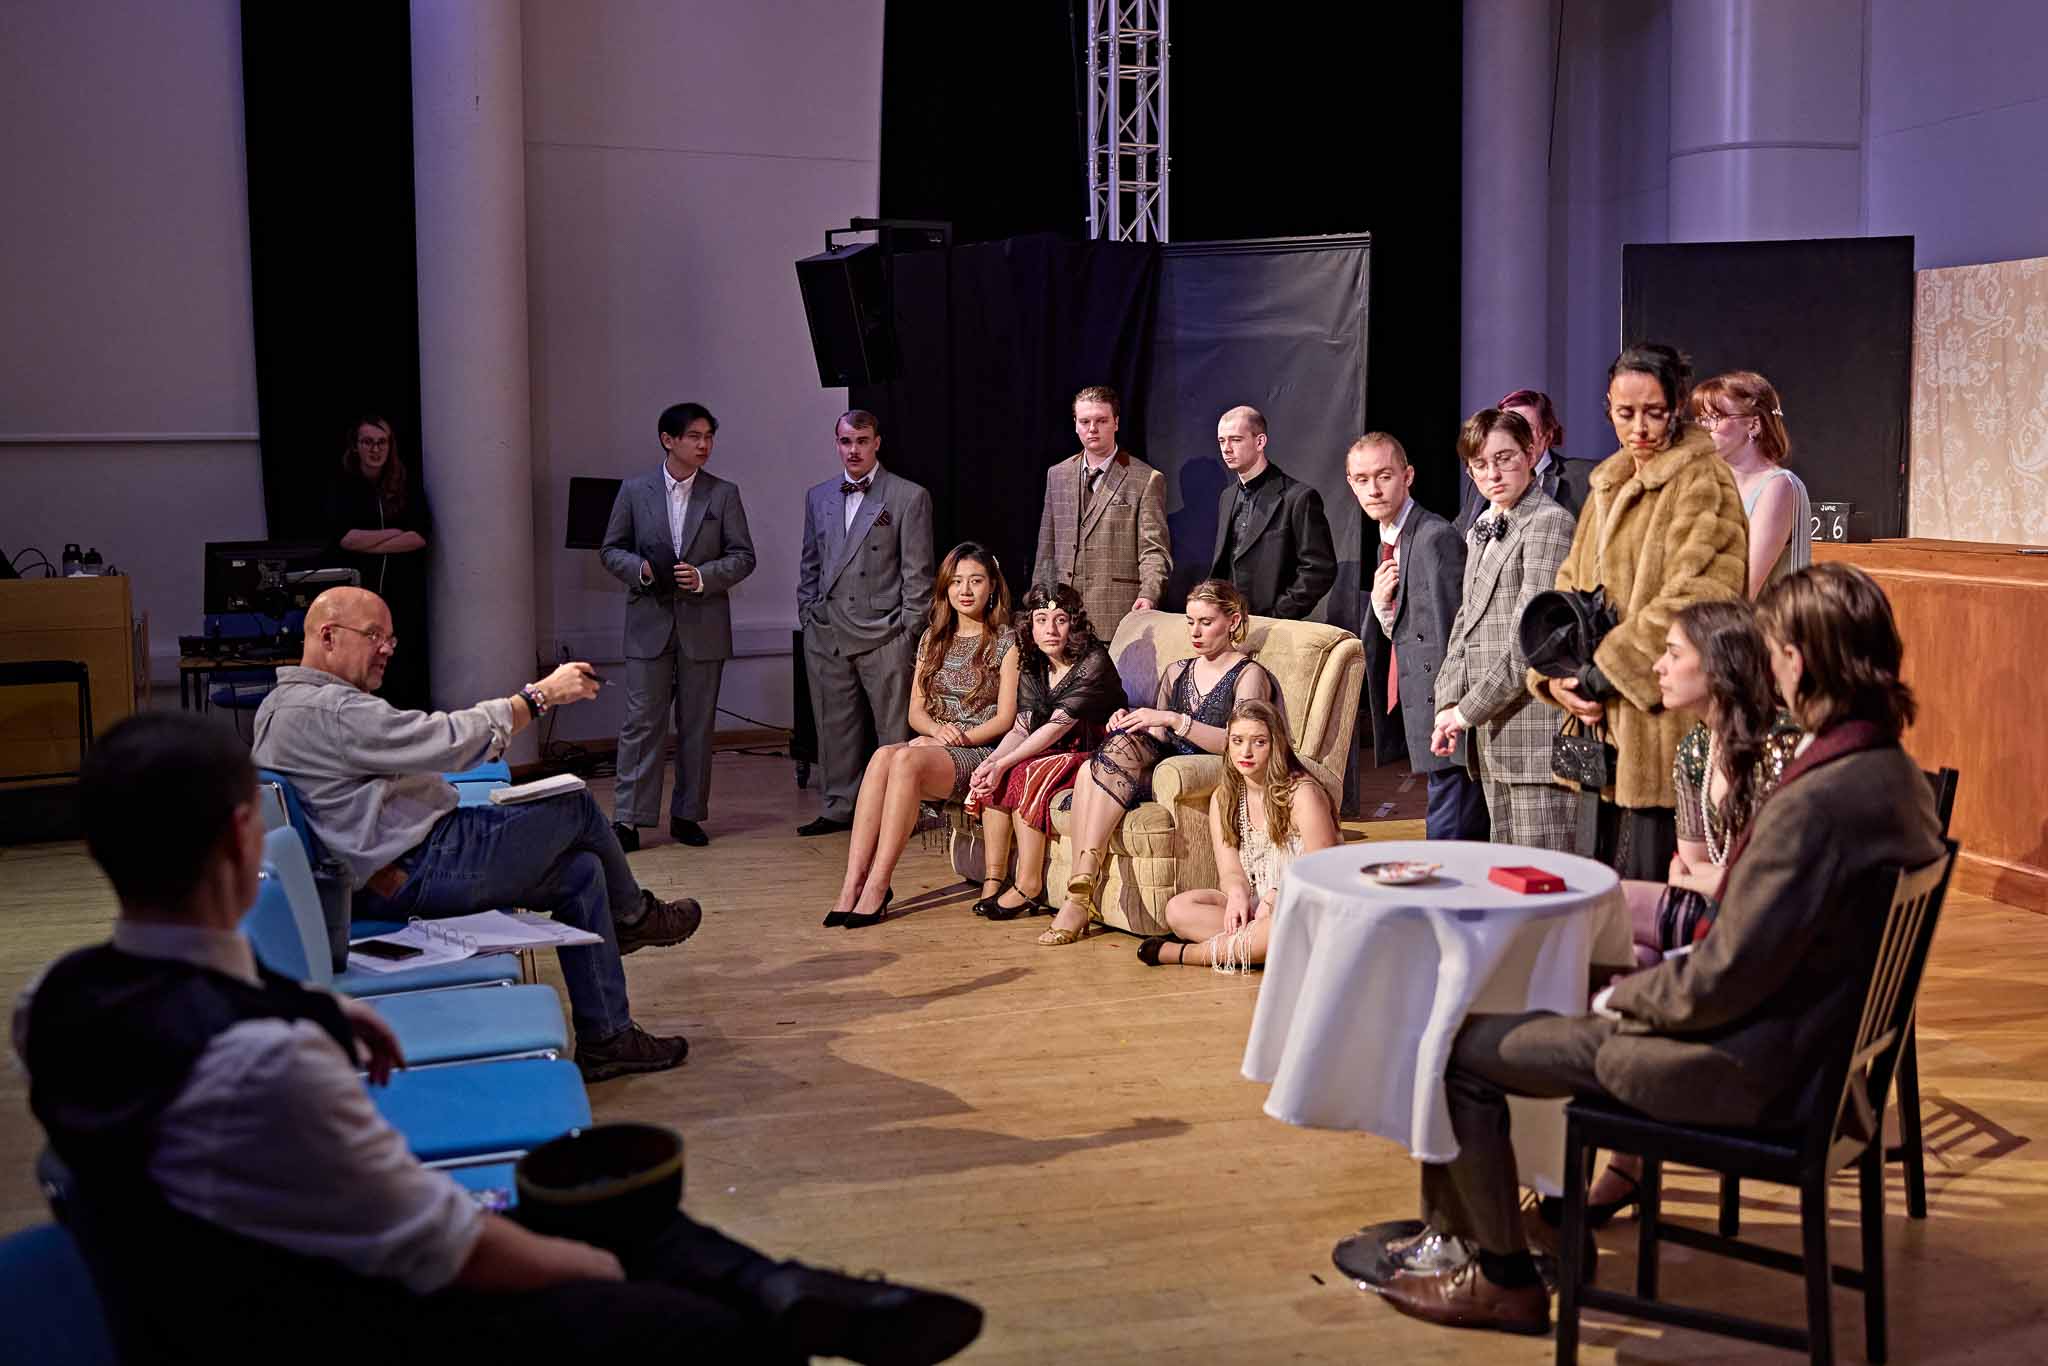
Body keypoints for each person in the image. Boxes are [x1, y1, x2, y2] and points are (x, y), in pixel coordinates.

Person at [18, 710, 984, 1365]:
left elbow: (192, 972)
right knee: (687, 1315)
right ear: (241, 838)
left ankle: (784, 1284)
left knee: (625, 1211)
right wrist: (599, 1270)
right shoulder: (266, 1068)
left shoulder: (52, 1002)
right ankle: (767, 1306)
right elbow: (446, 1249)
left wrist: (315, 1005)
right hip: (342, 1316)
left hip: (208, 1277)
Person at [1362, 562, 1943, 1337]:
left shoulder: (1815, 801)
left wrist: (1615, 998)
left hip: (1754, 1069)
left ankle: (1503, 1276)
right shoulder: (1893, 774)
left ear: (1798, 659)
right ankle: (1550, 1227)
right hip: (1816, 1063)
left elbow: (1721, 979)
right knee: (1552, 1010)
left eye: (1772, 651)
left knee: (1462, 1049)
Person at [251, 587, 697, 1082]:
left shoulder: (282, 705)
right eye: (373, 635)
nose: (385, 649)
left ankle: (607, 1040)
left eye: (391, 639)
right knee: (574, 806)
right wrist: (537, 697)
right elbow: (443, 741)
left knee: (582, 872)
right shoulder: (330, 712)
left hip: (389, 871)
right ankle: (633, 915)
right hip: (417, 867)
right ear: (328, 636)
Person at [1563, 599, 1804, 1226]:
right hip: (1710, 918)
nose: (1659, 666)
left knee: (1606, 906)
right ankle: (1626, 1161)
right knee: (1632, 955)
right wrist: (1713, 878)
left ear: (1720, 667)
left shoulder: (1780, 750)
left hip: (1758, 945)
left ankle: (1590, 1072)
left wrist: (1714, 879)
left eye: (1674, 654)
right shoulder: (1697, 748)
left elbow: (1764, 882)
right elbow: (1688, 865)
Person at [1530, 343, 1748, 879]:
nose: (1640, 428)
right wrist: (1556, 675)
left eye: (1654, 411)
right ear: (1608, 406)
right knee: (1596, 894)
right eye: (1625, 413)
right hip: (1597, 727)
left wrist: (1606, 669)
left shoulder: (1703, 480)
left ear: (1676, 405)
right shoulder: (1607, 479)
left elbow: (1702, 596)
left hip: (1662, 726)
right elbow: (1569, 588)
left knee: (1649, 897)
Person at [1038, 579, 1278, 947]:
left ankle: (1078, 896)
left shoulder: (1249, 675)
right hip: (1165, 763)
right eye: (1190, 622)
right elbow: (1161, 734)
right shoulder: (1178, 671)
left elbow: (1240, 743)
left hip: (1204, 768)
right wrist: (1133, 718)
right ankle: (1081, 887)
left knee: (1097, 767)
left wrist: (1173, 720)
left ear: (1232, 621)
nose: (1195, 632)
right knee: (1094, 764)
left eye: (1206, 622)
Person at [824, 544, 1017, 930]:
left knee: (906, 760)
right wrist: (934, 733)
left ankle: (879, 885)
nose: (965, 590)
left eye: (976, 581)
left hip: (979, 751)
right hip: (936, 744)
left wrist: (955, 740)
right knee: (882, 756)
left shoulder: (1007, 640)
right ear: (945, 588)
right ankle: (852, 884)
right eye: (957, 582)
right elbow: (916, 712)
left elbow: (1006, 718)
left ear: (992, 586)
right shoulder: (933, 638)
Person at [599, 402, 758, 850]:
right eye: (694, 436)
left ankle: (688, 815)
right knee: (641, 724)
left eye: (708, 436)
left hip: (704, 625)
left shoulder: (723, 493)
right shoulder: (634, 490)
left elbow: (744, 556)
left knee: (697, 725)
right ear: (668, 440)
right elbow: (611, 550)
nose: (704, 444)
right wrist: (643, 571)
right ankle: (629, 819)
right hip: (648, 625)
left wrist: (706, 576)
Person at [1430, 410, 1580, 850]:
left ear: (1531, 452)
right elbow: (1466, 622)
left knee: (1545, 885)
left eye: (1505, 458)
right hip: (1495, 738)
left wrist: (1465, 712)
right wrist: (1448, 701)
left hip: (1536, 738)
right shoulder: (1483, 529)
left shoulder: (1549, 524)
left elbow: (1529, 643)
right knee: (1508, 880)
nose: (1492, 473)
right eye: (1480, 464)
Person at [796, 410, 936, 838]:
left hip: (885, 632)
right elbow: (810, 565)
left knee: (891, 729)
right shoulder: (818, 496)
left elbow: (919, 573)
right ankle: (840, 806)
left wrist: (909, 632)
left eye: (861, 440)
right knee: (833, 726)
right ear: (835, 443)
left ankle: (898, 812)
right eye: (845, 441)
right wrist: (809, 614)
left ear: (877, 442)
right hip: (828, 630)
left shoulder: (908, 496)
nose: (853, 449)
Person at [1347, 431, 1486, 840]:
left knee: (1450, 836)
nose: (1373, 489)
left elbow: (1453, 635)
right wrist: (1380, 606)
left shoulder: (1433, 537)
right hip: (1423, 710)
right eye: (1361, 479)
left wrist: (1454, 714)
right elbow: (1409, 628)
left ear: (1407, 476)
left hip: (1447, 716)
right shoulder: (1389, 540)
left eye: (1384, 476)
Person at [1139, 698, 1339, 970]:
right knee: (1178, 909)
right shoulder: (1224, 798)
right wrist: (1236, 895)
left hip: (1303, 904)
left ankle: (1185, 954)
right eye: (1237, 741)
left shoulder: (1302, 794)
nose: (1246, 751)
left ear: (1276, 745)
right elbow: (1231, 870)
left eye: (1259, 742)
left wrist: (1277, 895)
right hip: (1258, 906)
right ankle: (1254, 947)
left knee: (1280, 927)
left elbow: (1323, 867)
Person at [966, 583, 1126, 920]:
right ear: (1030, 625)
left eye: (1060, 620)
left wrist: (1006, 762)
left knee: (1023, 770)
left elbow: (1059, 724)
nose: (1050, 630)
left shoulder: (1093, 660)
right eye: (1041, 620)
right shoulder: (1033, 661)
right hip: (1051, 745)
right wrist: (992, 762)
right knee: (1000, 770)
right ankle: (995, 879)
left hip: (1095, 749)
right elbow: (1023, 725)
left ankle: (1028, 885)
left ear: (1075, 624)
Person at [1031, 384, 1171, 642]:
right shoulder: (1058, 475)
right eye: (1085, 421)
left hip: (1114, 617)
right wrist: (1039, 604)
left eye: (1101, 420)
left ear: (1116, 423)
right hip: (1060, 618)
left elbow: (1154, 550)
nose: (1092, 429)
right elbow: (1047, 549)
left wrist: (1148, 594)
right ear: (1075, 424)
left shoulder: (1145, 479)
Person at [326, 414, 432, 710]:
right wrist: (392, 534)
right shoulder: (344, 486)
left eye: (382, 442)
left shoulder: (405, 486)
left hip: (401, 599)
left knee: (400, 672)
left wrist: (370, 542)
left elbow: (419, 538)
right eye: (368, 442)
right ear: (356, 446)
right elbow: (346, 539)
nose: (375, 449)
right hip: (357, 599)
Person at [1206, 405, 1337, 619]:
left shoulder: (1298, 497)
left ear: (1260, 442)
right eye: (1222, 441)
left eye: (1236, 440)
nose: (1226, 448)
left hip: (1272, 625)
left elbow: (1319, 569)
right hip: (1226, 622)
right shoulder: (1227, 497)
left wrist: (1279, 614)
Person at [1694, 370, 1812, 597]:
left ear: (1754, 425)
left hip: (1764, 628)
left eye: (1714, 418)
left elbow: (1742, 588)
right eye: (1701, 419)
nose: (1703, 428)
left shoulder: (1779, 487)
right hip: (1712, 624)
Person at [1456, 389, 1595, 531]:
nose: (1515, 436)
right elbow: (1456, 535)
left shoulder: (1583, 477)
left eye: (1525, 428)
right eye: (1506, 428)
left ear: (1548, 435)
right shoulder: (1482, 482)